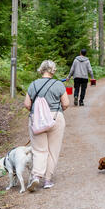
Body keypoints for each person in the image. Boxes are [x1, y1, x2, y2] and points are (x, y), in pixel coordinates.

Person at [23, 60, 69, 191]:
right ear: (53, 70)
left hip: (36, 119)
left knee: (39, 149)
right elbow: (65, 103)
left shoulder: (33, 85)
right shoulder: (59, 84)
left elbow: (27, 104)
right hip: (55, 118)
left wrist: (38, 113)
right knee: (53, 150)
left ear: (41, 69)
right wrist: (56, 112)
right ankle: (48, 180)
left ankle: (36, 176)